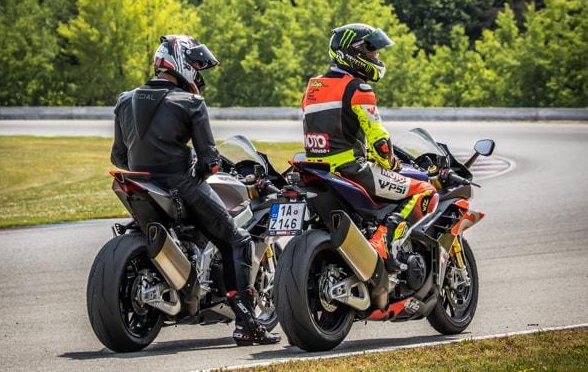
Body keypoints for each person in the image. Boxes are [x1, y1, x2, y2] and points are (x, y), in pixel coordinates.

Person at [110, 34, 280, 346]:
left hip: (139, 184)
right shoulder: (191, 103)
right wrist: (196, 169)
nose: (199, 74)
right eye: (197, 66)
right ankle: (247, 324)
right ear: (181, 64)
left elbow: (118, 156)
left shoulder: (124, 100)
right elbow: (210, 162)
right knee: (238, 240)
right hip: (180, 184)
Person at [301, 23, 438, 272]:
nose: (375, 56)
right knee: (424, 190)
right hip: (351, 171)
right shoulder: (358, 87)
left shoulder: (314, 87)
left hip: (315, 169)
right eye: (370, 50)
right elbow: (379, 142)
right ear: (351, 53)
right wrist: (391, 164)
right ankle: (384, 243)